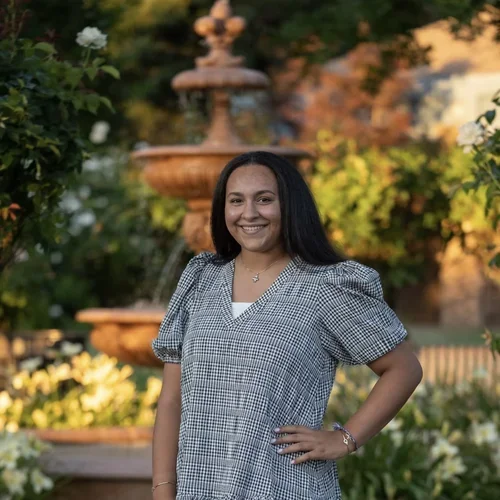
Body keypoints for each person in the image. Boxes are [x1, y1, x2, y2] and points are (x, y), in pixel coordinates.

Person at [151, 151, 423, 500]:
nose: (249, 213)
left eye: (264, 199)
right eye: (236, 201)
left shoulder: (327, 286)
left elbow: (403, 369)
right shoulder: (201, 280)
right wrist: (163, 488)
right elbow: (172, 399)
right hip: (199, 489)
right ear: (223, 209)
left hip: (285, 487)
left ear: (290, 205)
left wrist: (345, 438)